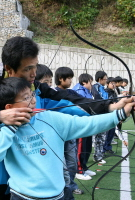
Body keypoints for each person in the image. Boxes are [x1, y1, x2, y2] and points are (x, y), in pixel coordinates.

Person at [0, 36, 135, 200]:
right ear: (9, 68)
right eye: (28, 69)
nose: (34, 74)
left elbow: (68, 100)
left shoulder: (34, 86)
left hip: (23, 183)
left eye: (35, 66)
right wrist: (0, 116)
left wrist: (110, 106)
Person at [0, 77, 135, 200]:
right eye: (26, 98)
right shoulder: (3, 131)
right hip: (22, 197)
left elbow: (87, 124)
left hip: (58, 195)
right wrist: (12, 126)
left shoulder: (49, 117)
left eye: (32, 95)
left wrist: (120, 114)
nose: (33, 100)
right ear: (9, 108)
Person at [54, 66, 83, 197]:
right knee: (61, 166)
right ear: (60, 79)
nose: (71, 81)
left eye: (71, 78)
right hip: (58, 135)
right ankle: (63, 189)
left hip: (70, 134)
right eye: (69, 78)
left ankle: (70, 186)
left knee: (72, 163)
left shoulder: (71, 93)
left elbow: (84, 102)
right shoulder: (52, 93)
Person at [72, 73, 97, 180]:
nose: (91, 85)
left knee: (87, 146)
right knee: (80, 148)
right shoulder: (78, 91)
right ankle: (79, 170)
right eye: (90, 82)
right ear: (84, 82)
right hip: (81, 123)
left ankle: (84, 166)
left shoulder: (87, 91)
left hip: (88, 122)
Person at [92, 71, 109, 164]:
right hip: (99, 115)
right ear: (100, 79)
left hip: (104, 115)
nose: (106, 81)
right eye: (105, 79)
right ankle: (97, 156)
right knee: (99, 137)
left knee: (102, 137)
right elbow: (99, 100)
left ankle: (99, 155)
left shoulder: (103, 88)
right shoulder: (96, 88)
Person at [103, 77, 119, 154]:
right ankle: (102, 149)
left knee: (111, 132)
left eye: (114, 83)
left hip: (113, 115)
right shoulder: (105, 92)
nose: (114, 85)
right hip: (106, 115)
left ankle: (108, 147)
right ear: (107, 84)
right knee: (105, 133)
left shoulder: (114, 92)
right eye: (112, 83)